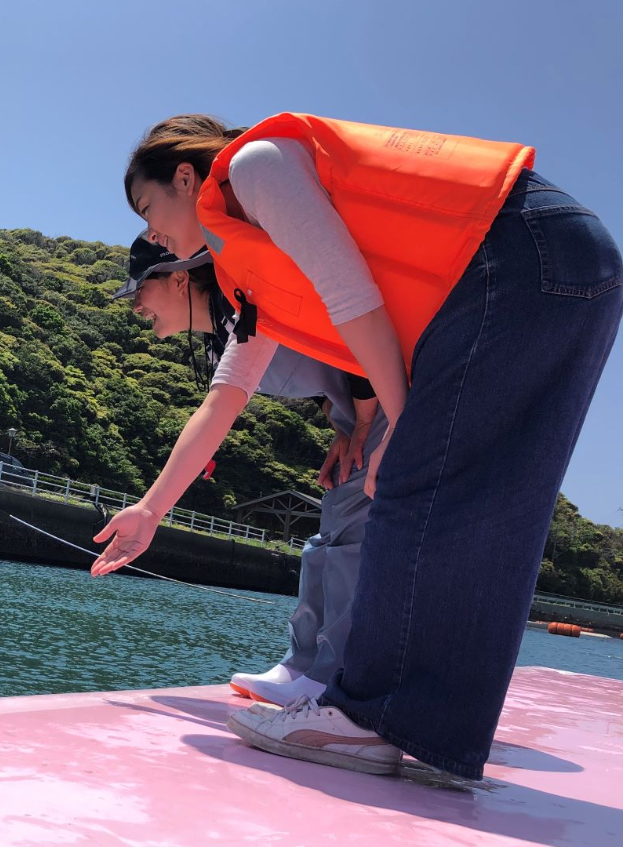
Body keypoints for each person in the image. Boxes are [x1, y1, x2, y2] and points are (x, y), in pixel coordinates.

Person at [94, 113, 622, 779]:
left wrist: (401, 424)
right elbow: (225, 396)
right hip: (575, 260)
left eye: (146, 208)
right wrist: (150, 510)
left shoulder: (256, 169)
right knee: (490, 509)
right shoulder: (248, 265)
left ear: (184, 176)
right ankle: (437, 732)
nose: (149, 232)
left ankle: (366, 720)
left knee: (415, 488)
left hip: (514, 252)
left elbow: (353, 300)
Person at [108, 235, 385, 707]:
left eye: (141, 289)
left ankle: (331, 677)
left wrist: (361, 421)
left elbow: (356, 336)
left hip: (390, 403)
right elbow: (317, 378)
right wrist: (341, 422)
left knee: (349, 540)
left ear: (179, 279)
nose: (135, 306)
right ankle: (303, 664)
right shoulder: (219, 335)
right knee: (327, 539)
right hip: (358, 414)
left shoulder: (244, 305)